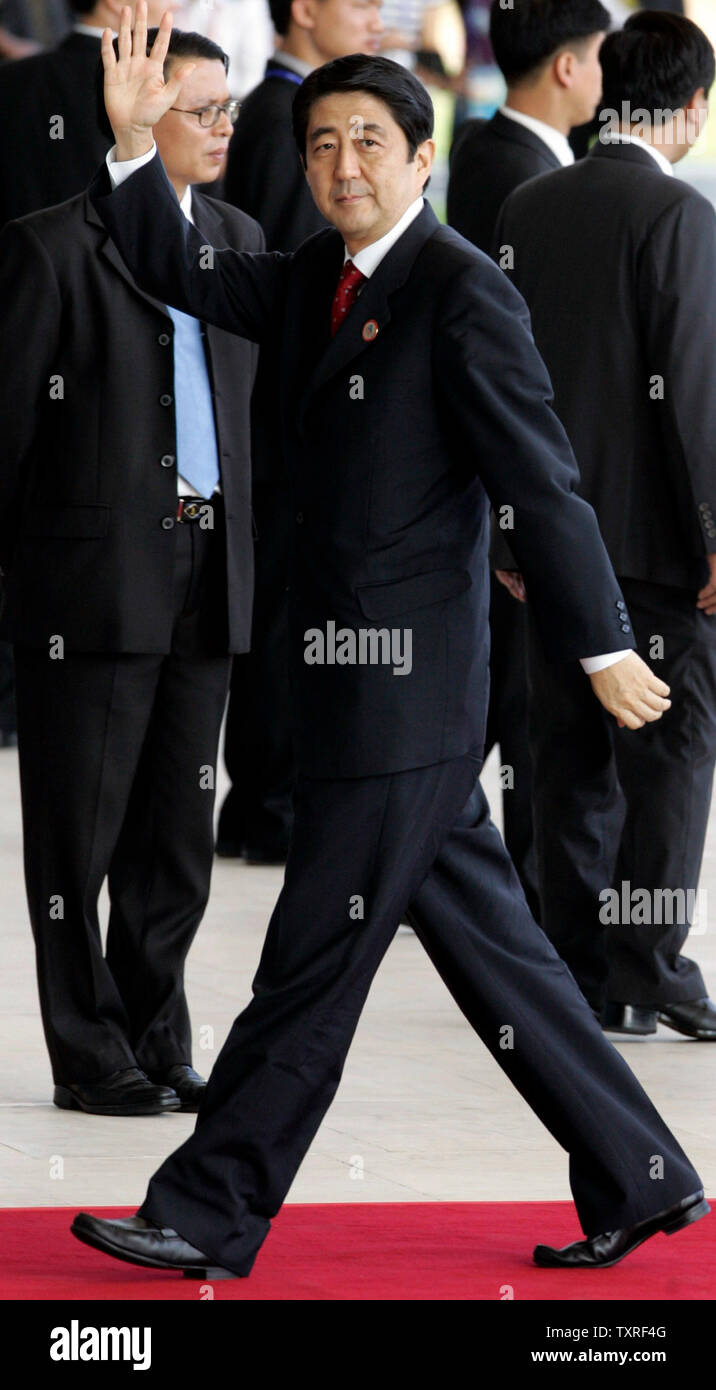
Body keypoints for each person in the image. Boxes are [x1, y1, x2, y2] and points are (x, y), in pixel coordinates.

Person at [73, 7, 706, 1274]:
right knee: (501, 958)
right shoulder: (318, 275)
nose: (342, 166)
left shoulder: (464, 290)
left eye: (368, 141)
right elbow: (178, 271)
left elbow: (542, 479)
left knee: (307, 966)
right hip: (347, 696)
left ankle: (205, 1211)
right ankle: (647, 1177)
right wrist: (138, 148)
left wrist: (599, 645)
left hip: (406, 698)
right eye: (319, 145)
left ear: (422, 159)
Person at [0, 26, 263, 1115]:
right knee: (79, 831)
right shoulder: (53, 246)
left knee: (176, 833)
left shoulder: (241, 238)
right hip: (93, 586)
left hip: (214, 567)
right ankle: (85, 1047)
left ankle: (158, 1034)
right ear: (135, 114)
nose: (221, 129)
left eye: (227, 110)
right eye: (199, 109)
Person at [493, 10, 716, 1040]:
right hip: (657, 547)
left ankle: (576, 965)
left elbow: (487, 384)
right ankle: (648, 957)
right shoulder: (674, 214)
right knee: (668, 754)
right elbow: (694, 392)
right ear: (692, 105)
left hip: (547, 541)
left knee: (564, 754)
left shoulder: (528, 208)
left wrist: (503, 531)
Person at [445, 0, 611, 919]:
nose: (603, 81)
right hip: (511, 483)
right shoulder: (517, 172)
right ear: (564, 68)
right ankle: (527, 903)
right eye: (596, 60)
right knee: (517, 709)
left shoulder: (501, 157)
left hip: (512, 488)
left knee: (506, 706)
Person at [217, 0, 384, 863]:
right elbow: (300, 283)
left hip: (267, 424)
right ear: (307, 9)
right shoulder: (294, 121)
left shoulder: (286, 109)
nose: (377, 14)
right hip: (285, 423)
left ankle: (258, 805)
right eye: (358, 0)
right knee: (286, 614)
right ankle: (273, 804)